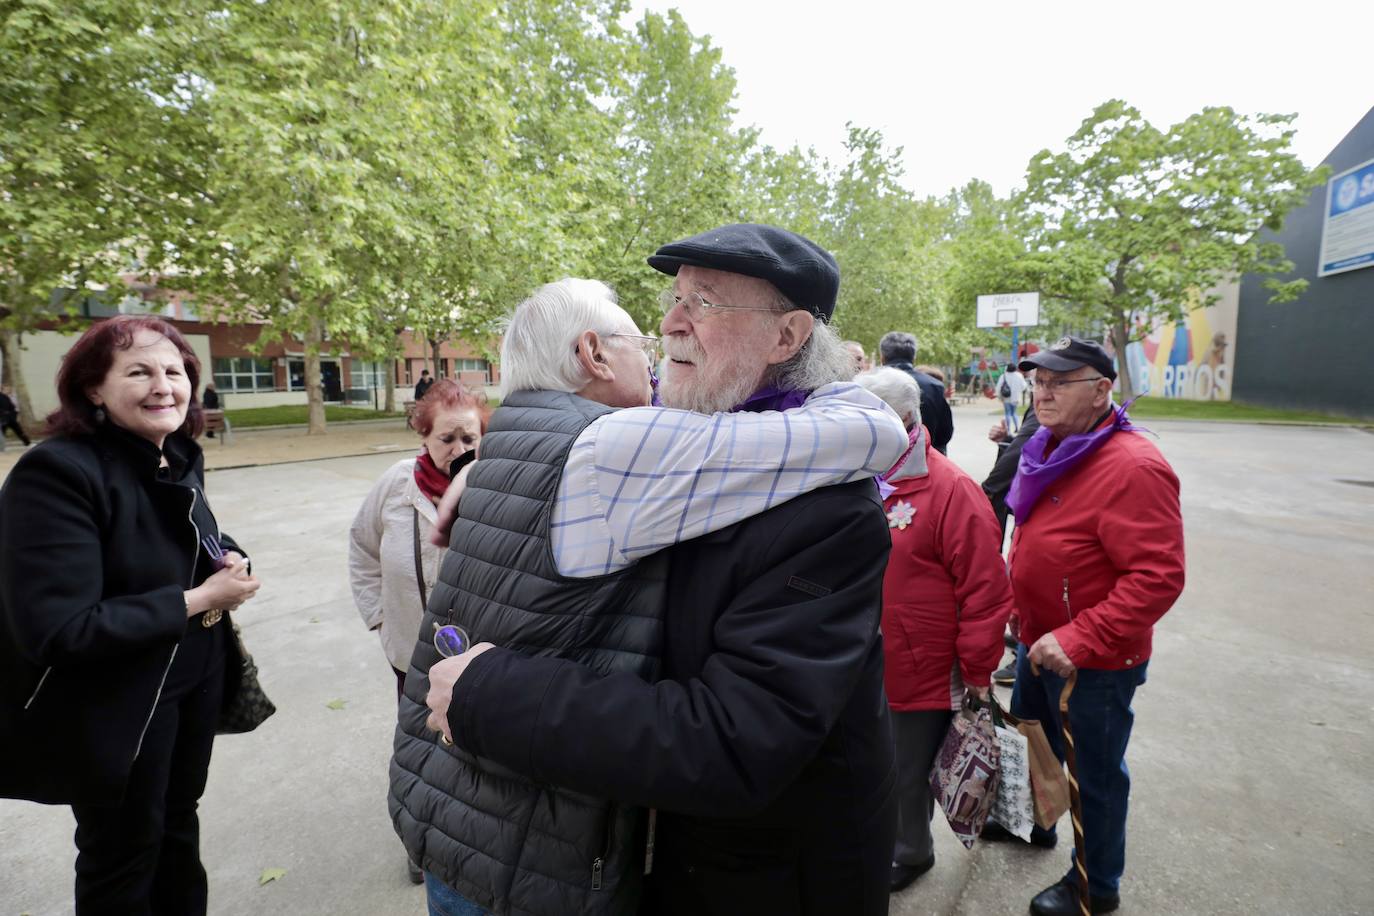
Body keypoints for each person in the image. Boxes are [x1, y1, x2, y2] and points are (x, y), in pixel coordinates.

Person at [408, 226, 906, 916]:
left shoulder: (828, 511)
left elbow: (736, 739)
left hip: (766, 878)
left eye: (703, 303)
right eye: (674, 298)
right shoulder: (663, 450)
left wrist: (494, 697)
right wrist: (506, 468)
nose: (668, 323)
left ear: (786, 338)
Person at [0, 315, 262, 914]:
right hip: (118, 704)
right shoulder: (58, 472)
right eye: (139, 371)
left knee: (177, 827)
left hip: (191, 683)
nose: (163, 386)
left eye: (174, 371)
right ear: (94, 388)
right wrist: (199, 601)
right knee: (122, 854)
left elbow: (172, 541)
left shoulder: (170, 455)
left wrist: (227, 557)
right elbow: (59, 628)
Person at [998, 336, 1185, 916]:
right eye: (1038, 381)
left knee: (1095, 778)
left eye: (1059, 382)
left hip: (1094, 660)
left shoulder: (1133, 465)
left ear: (1103, 390)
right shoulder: (1053, 445)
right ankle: (1040, 825)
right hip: (1037, 638)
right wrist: (1016, 602)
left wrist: (1080, 638)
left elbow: (1158, 577)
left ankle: (1094, 888)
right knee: (1037, 745)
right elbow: (1040, 540)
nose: (1043, 392)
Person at [853, 367, 1014, 893]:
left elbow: (986, 588)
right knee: (873, 760)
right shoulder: (860, 471)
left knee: (905, 769)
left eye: (868, 420)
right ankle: (882, 839)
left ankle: (911, 850)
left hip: (918, 661)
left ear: (904, 420)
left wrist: (977, 668)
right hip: (862, 652)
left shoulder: (951, 489)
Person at [350, 378, 487, 884]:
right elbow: (362, 550)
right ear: (423, 437)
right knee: (420, 750)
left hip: (477, 657)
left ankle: (468, 841)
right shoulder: (395, 483)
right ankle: (421, 841)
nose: (460, 450)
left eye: (469, 438)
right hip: (410, 653)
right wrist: (381, 617)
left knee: (471, 751)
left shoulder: (492, 482)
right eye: (447, 438)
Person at [879, 330, 954, 454]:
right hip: (924, 459)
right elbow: (945, 432)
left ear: (882, 357)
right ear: (914, 357)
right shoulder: (934, 386)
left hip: (880, 464)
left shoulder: (868, 384)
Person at [997, 364, 1028, 431]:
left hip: (1006, 398)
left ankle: (1008, 429)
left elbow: (998, 387)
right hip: (1016, 397)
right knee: (1014, 413)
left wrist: (999, 396)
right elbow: (1024, 386)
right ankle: (1017, 427)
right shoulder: (1019, 376)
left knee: (1007, 413)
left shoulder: (1003, 376)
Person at [0, 384, 30, 449]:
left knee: (19, 430)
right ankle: (1, 446)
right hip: (2, 419)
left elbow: (12, 406)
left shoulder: (5, 397)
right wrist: (3, 413)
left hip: (10, 418)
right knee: (2, 433)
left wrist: (13, 414)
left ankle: (27, 443)